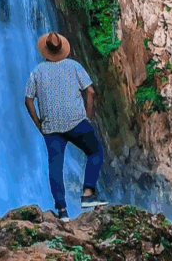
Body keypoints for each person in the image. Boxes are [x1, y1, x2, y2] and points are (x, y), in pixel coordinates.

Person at [24, 31, 107, 219]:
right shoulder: (74, 66)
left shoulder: (36, 72)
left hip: (51, 127)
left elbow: (28, 100)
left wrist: (39, 124)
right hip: (76, 122)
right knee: (95, 152)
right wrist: (88, 115)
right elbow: (91, 91)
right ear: (62, 48)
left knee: (55, 166)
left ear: (45, 51)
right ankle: (87, 194)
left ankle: (62, 211)